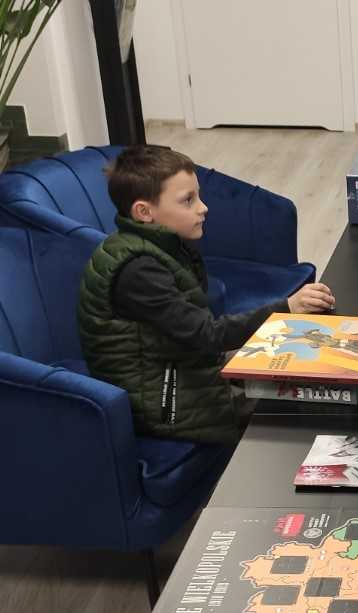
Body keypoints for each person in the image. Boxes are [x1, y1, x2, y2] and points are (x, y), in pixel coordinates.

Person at [77, 145, 334, 444]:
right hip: (166, 402)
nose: (203, 208)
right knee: (310, 401)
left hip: (181, 367)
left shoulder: (161, 246)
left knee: (306, 363)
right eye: (188, 200)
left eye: (198, 196)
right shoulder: (139, 271)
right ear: (144, 212)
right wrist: (285, 309)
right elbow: (207, 334)